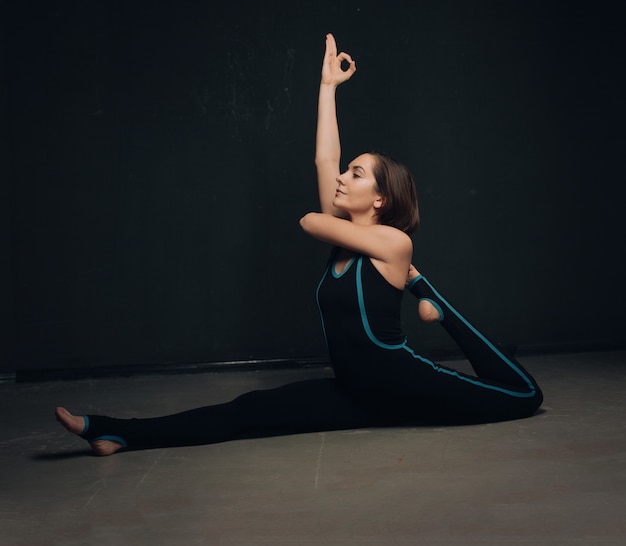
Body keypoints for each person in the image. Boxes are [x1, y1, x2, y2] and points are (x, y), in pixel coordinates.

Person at [56, 33, 543, 456]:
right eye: (347, 170)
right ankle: (115, 433)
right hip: (356, 394)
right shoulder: (348, 237)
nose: (341, 176)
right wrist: (327, 88)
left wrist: (416, 286)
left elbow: (312, 220)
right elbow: (322, 157)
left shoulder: (393, 242)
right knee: (245, 412)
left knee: (523, 396)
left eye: (355, 173)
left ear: (379, 199)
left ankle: (430, 291)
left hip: (408, 385)